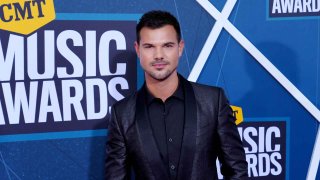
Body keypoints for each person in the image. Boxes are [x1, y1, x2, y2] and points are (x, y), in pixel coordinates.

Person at [105, 10, 248, 180]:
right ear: (138, 50)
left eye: (167, 45)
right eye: (149, 46)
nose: (159, 55)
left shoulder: (212, 102)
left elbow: (237, 172)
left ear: (180, 48)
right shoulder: (122, 114)